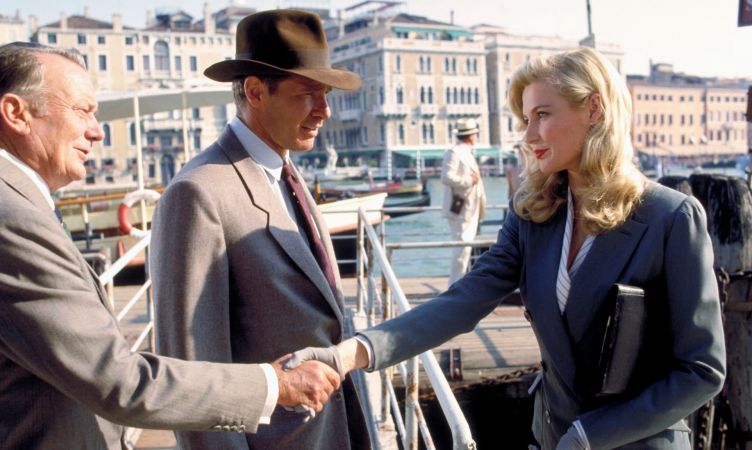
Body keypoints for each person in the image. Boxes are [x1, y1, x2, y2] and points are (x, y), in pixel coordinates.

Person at [290, 47, 727, 449]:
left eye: (542, 115)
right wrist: (350, 353)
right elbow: (463, 301)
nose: (528, 135)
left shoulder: (670, 217)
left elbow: (701, 370)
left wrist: (589, 436)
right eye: (525, 119)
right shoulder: (534, 213)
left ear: (594, 109)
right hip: (551, 436)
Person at [0, 42, 342, 450]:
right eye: (82, 111)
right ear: (16, 113)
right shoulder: (4, 220)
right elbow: (120, 381)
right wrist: (274, 385)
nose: (96, 131)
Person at [150, 10, 370, 450]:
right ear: (255, 91)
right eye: (307, 94)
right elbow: (192, 374)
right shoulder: (198, 192)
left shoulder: (283, 171)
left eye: (325, 94)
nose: (324, 110)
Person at [441, 118, 487, 286]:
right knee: (461, 250)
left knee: (465, 250)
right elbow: (446, 177)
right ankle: (455, 286)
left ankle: (460, 284)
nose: (476, 137)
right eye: (475, 134)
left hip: (470, 209)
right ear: (470, 136)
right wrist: (469, 180)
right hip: (460, 209)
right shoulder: (454, 152)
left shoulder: (466, 152)